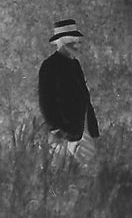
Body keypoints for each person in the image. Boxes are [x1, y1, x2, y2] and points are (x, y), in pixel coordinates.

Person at [38, 18, 101, 175]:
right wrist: (55, 128)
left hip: (82, 127)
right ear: (63, 43)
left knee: (89, 171)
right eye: (74, 42)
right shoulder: (49, 66)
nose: (78, 45)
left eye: (78, 42)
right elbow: (46, 101)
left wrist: (92, 126)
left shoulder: (75, 65)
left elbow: (84, 97)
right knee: (59, 173)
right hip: (62, 131)